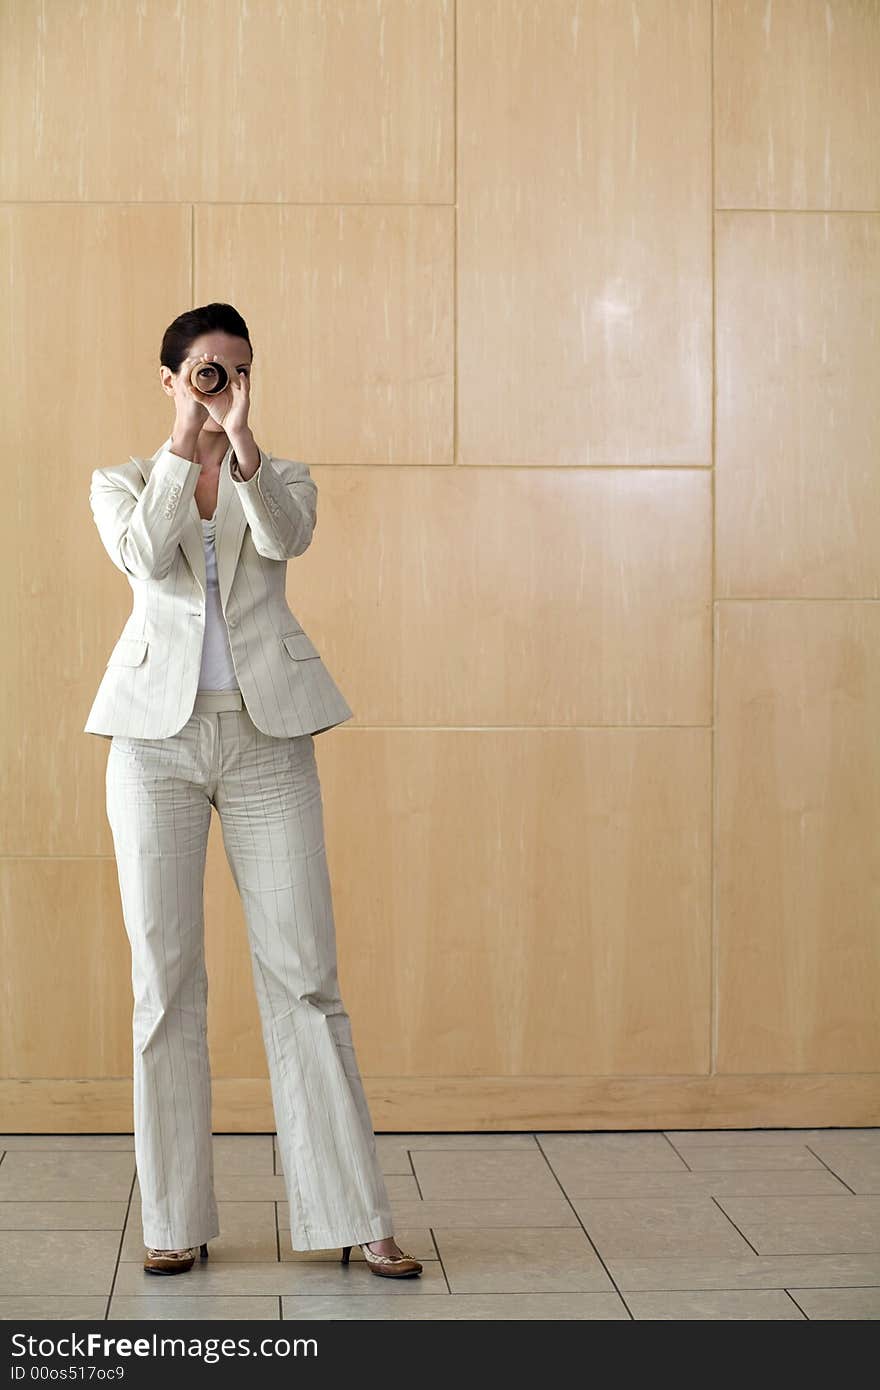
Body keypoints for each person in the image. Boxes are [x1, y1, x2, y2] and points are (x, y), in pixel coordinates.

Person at [84, 302, 421, 1279]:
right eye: (201, 369)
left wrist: (236, 442)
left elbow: (285, 537)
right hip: (153, 743)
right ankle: (173, 1217)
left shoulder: (276, 475)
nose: (218, 380)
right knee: (165, 984)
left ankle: (354, 1212)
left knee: (305, 974)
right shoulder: (121, 483)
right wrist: (181, 446)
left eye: (233, 369)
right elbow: (145, 557)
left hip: (268, 737)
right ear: (168, 377)